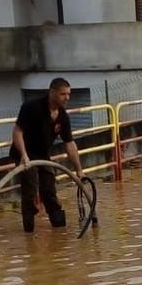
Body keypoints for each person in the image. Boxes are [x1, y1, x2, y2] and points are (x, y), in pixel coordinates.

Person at [11, 77, 84, 232]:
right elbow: (17, 132)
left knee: (49, 188)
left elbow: (69, 143)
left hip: (43, 154)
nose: (67, 98)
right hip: (24, 153)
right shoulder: (31, 107)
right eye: (63, 94)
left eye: (69, 94)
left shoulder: (63, 116)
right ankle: (29, 231)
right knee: (30, 189)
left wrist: (79, 170)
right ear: (52, 92)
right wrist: (23, 155)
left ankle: (59, 228)